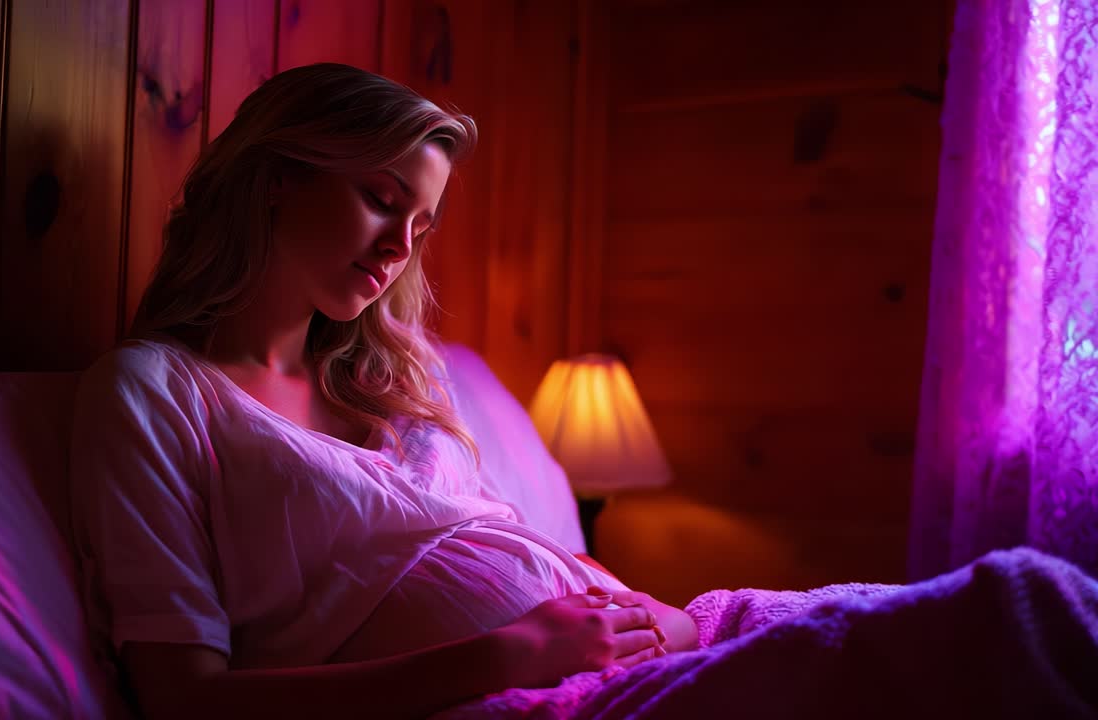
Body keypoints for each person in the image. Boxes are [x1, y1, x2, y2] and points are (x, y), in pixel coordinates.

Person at [68, 63, 697, 720]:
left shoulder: (398, 370)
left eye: (420, 225)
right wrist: (505, 656)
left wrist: (657, 618)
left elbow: (511, 539)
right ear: (279, 175)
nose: (399, 246)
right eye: (380, 199)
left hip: (622, 663)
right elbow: (183, 699)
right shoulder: (153, 393)